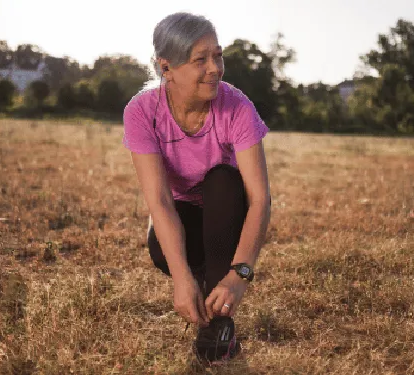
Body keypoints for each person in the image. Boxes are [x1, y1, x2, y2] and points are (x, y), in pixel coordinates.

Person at [122, 12, 271, 364]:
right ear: (167, 68)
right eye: (200, 60)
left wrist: (240, 275)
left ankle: (219, 326)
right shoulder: (142, 112)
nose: (215, 68)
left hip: (227, 209)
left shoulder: (236, 106)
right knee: (162, 251)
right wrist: (181, 278)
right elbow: (159, 201)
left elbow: (260, 199)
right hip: (182, 211)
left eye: (217, 55)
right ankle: (205, 282)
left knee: (222, 179)